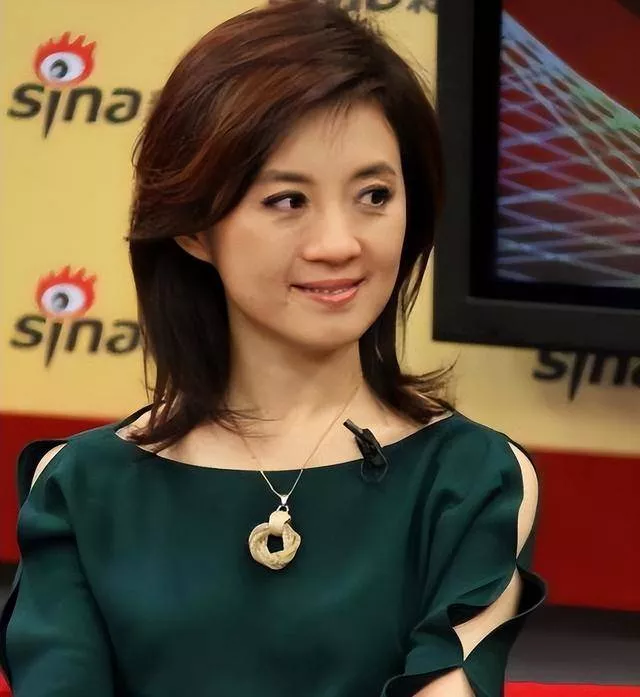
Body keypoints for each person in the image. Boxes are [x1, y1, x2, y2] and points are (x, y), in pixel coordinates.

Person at [0, 1, 546, 695]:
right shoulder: (79, 488)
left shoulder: (474, 481)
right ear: (194, 227)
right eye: (288, 201)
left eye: (374, 194)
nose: (339, 244)